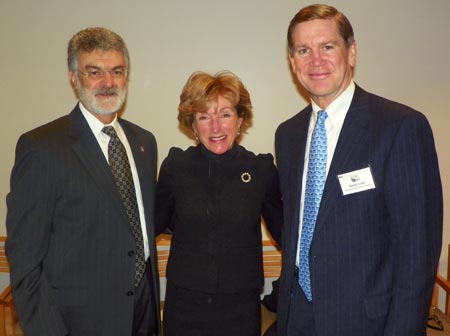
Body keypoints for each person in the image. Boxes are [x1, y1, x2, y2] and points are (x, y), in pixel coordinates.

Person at [275, 4, 443, 336]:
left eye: (327, 46)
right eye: (303, 50)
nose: (316, 60)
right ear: (293, 63)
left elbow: (417, 251)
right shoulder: (288, 135)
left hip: (368, 320)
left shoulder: (399, 127)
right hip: (299, 316)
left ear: (351, 53)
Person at [5, 27, 160, 336]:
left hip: (143, 312)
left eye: (117, 71)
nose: (108, 82)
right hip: (78, 322)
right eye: (94, 72)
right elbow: (24, 260)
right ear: (74, 77)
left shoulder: (144, 142)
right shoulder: (42, 147)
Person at [156, 70, 283, 336]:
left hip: (240, 306)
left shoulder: (261, 169)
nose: (216, 127)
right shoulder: (175, 167)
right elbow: (152, 225)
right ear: (192, 124)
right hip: (185, 305)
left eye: (225, 114)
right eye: (204, 116)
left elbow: (286, 233)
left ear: (240, 120)